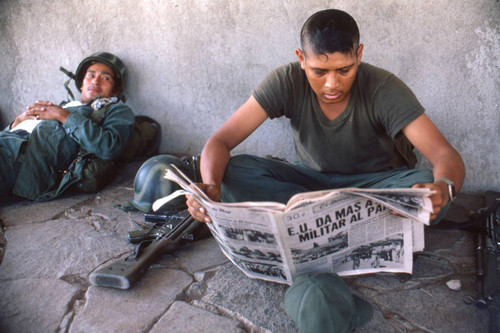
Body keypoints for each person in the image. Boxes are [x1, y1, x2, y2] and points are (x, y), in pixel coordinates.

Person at [186, 9, 465, 226]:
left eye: (344, 70)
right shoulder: (285, 81)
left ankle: (308, 214)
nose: (332, 84)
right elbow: (221, 141)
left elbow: (444, 155)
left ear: (359, 55)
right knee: (233, 174)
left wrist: (444, 188)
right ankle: (335, 215)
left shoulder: (383, 88)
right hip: (308, 183)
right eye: (319, 72)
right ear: (301, 59)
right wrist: (210, 187)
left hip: (372, 186)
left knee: (423, 186)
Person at [0, 52, 135, 201]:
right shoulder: (66, 105)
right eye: (90, 75)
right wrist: (17, 122)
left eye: (105, 78)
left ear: (115, 90)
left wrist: (63, 116)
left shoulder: (116, 109)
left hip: (24, 162)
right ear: (81, 83)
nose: (95, 81)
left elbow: (110, 147)